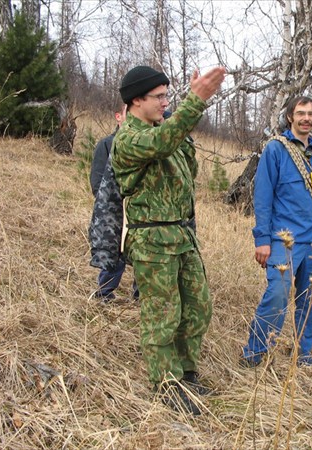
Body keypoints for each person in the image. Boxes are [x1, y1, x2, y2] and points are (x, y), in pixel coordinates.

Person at [111, 65, 225, 415]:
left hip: (181, 234)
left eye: (167, 96)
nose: (165, 103)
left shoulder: (164, 130)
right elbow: (160, 145)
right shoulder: (128, 138)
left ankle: (186, 374)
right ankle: (166, 385)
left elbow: (186, 165)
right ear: (136, 101)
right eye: (159, 97)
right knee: (163, 315)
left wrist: (181, 127)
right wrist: (195, 102)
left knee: (197, 308)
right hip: (152, 239)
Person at [241, 96, 312, 367]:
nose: (306, 118)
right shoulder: (276, 149)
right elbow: (262, 197)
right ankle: (255, 353)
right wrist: (262, 239)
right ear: (290, 117)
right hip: (284, 242)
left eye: (311, 113)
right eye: (301, 113)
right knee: (276, 296)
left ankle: (304, 355)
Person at [89, 105, 139, 302]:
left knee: (140, 253)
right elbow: (98, 180)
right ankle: (104, 293)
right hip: (115, 211)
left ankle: (139, 295)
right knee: (114, 253)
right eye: (128, 114)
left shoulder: (144, 144)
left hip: (138, 212)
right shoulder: (107, 144)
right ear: (119, 117)